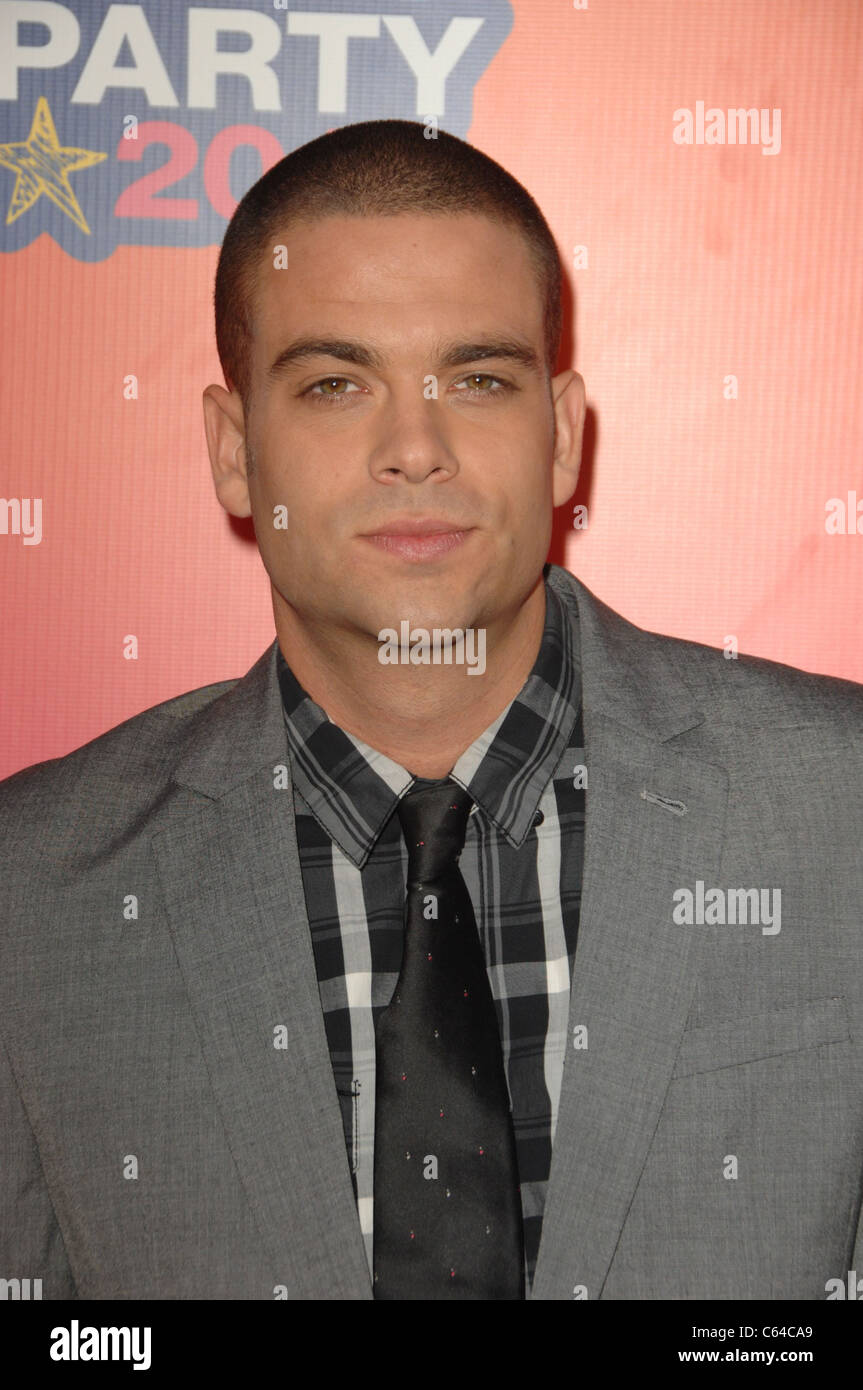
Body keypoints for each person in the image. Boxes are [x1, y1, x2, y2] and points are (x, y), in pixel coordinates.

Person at [1, 119, 862, 1302]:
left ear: (559, 436)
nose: (414, 447)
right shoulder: (33, 891)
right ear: (234, 449)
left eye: (477, 378)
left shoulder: (839, 810)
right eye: (335, 383)